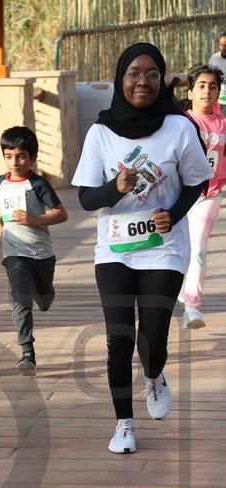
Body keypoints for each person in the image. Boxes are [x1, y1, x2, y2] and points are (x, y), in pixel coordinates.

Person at [72, 43, 212, 454]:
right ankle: (124, 424)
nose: (142, 82)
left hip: (163, 247)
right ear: (121, 78)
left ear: (162, 80)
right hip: (114, 248)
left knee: (152, 338)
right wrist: (114, 188)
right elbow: (85, 199)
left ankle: (153, 375)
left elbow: (197, 181)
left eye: (152, 74)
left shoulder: (179, 127)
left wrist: (173, 212)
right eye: (134, 73)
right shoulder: (100, 133)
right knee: (119, 338)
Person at [0, 126, 68, 376]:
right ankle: (27, 353)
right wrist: (0, 225)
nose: (14, 162)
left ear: (33, 158)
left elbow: (61, 214)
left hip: (41, 253)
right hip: (13, 253)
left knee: (43, 301)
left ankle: (46, 294)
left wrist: (33, 219)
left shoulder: (38, 184)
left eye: (21, 156)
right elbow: (2, 208)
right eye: (8, 156)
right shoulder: (0, 182)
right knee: (20, 297)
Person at [180, 64, 226, 328]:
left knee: (197, 247)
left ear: (219, 93)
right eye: (201, 86)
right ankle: (180, 288)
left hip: (209, 194)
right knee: (177, 248)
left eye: (212, 87)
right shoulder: (180, 122)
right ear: (190, 92)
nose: (206, 91)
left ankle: (193, 307)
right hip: (178, 195)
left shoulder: (223, 124)